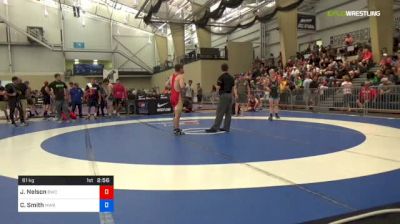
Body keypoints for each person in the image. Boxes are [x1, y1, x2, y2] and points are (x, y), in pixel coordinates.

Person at [206, 63, 235, 133]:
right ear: (227, 68)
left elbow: (218, 87)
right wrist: (232, 96)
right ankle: (226, 127)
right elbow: (233, 88)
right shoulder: (232, 78)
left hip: (224, 95)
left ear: (221, 69)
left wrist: (215, 93)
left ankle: (215, 127)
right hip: (230, 95)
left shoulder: (221, 77)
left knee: (220, 112)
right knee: (228, 113)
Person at [167, 64, 185, 135]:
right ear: (180, 69)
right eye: (183, 68)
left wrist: (172, 87)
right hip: (178, 96)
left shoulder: (172, 76)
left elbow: (166, 84)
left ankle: (175, 128)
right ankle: (176, 130)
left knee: (175, 114)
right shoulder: (180, 76)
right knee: (178, 115)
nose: (184, 70)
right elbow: (182, 86)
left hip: (172, 96)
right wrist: (184, 86)